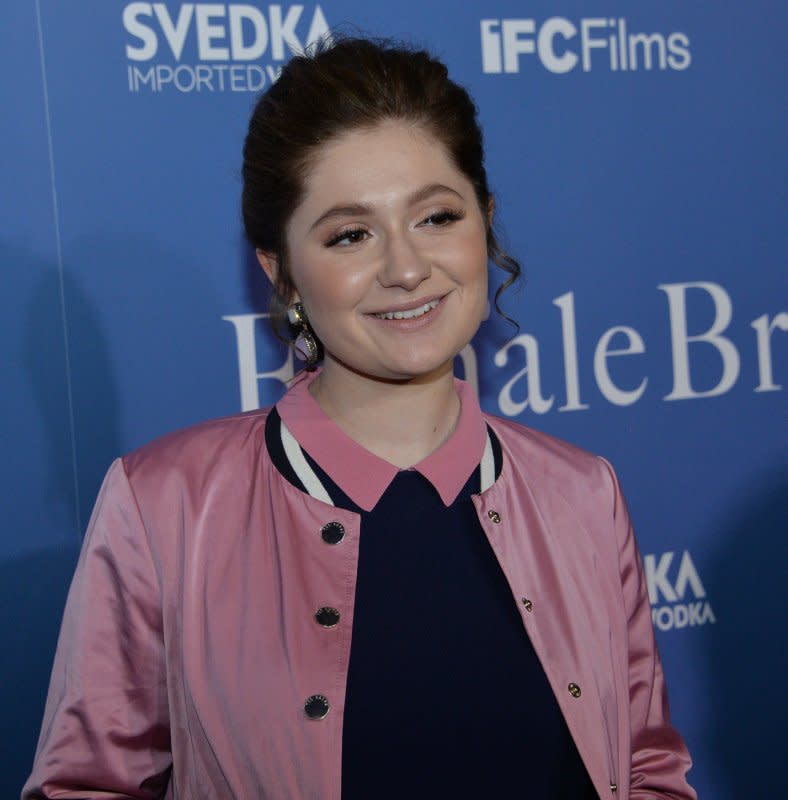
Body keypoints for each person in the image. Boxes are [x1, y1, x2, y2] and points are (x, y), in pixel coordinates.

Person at [23, 37, 696, 800]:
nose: (406, 267)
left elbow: (647, 769)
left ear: (486, 220)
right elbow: (87, 785)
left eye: (437, 217)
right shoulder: (166, 507)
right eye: (350, 234)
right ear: (281, 271)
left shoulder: (583, 494)